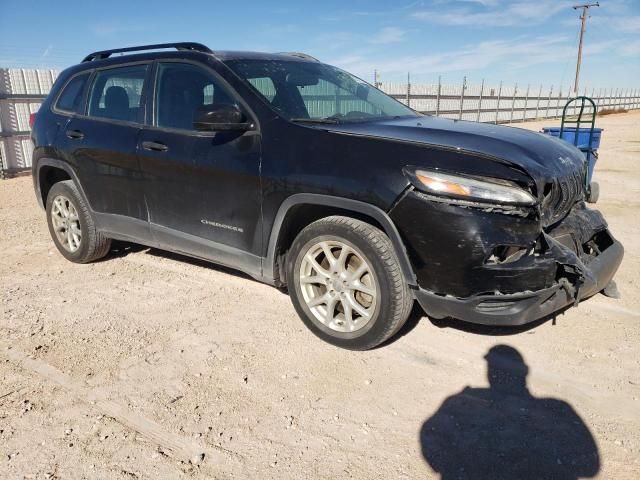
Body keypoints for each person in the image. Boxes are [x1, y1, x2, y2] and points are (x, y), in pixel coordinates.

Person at [420, 345, 599, 480]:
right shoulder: (557, 409)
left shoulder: (464, 401)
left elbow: (430, 434)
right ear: (525, 372)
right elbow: (590, 467)